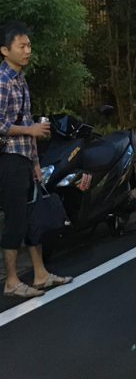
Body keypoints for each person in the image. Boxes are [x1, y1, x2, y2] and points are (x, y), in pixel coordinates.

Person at [0, 21, 72, 298]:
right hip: (8, 159)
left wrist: (34, 162)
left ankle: (40, 274)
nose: (28, 50)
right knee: (16, 219)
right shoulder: (3, 80)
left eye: (29, 45)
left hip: (24, 157)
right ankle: (11, 281)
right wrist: (30, 131)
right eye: (22, 46)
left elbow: (26, 119)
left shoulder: (20, 79)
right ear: (5, 50)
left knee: (32, 218)